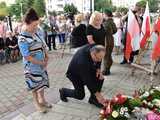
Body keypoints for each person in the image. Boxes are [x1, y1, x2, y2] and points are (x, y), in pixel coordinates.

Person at [18, 8, 51, 113]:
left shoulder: (38, 31)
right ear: (26, 24)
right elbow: (27, 56)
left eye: (37, 25)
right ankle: (37, 103)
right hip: (31, 66)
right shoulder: (22, 38)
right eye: (34, 25)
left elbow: (43, 44)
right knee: (34, 85)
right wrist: (41, 62)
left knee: (42, 82)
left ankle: (43, 100)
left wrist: (46, 56)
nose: (36, 27)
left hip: (42, 63)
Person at [103, 9, 117, 75]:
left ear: (106, 15)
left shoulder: (106, 23)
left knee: (106, 55)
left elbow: (103, 32)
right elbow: (115, 30)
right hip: (111, 39)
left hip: (106, 40)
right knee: (108, 55)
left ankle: (106, 70)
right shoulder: (112, 22)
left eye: (103, 14)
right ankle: (107, 68)